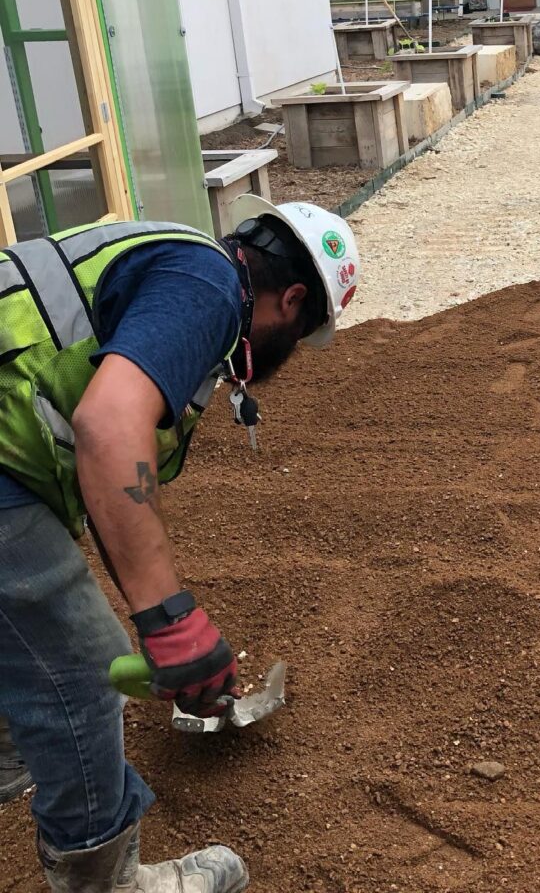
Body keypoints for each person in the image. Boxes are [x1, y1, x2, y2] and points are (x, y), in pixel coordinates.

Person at [0, 197, 359, 893]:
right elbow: (107, 426)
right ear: (290, 301)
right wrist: (171, 620)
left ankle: (10, 745)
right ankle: (105, 882)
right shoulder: (207, 288)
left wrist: (154, 617)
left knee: (28, 621)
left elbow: (94, 467)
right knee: (81, 670)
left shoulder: (170, 265)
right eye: (303, 334)